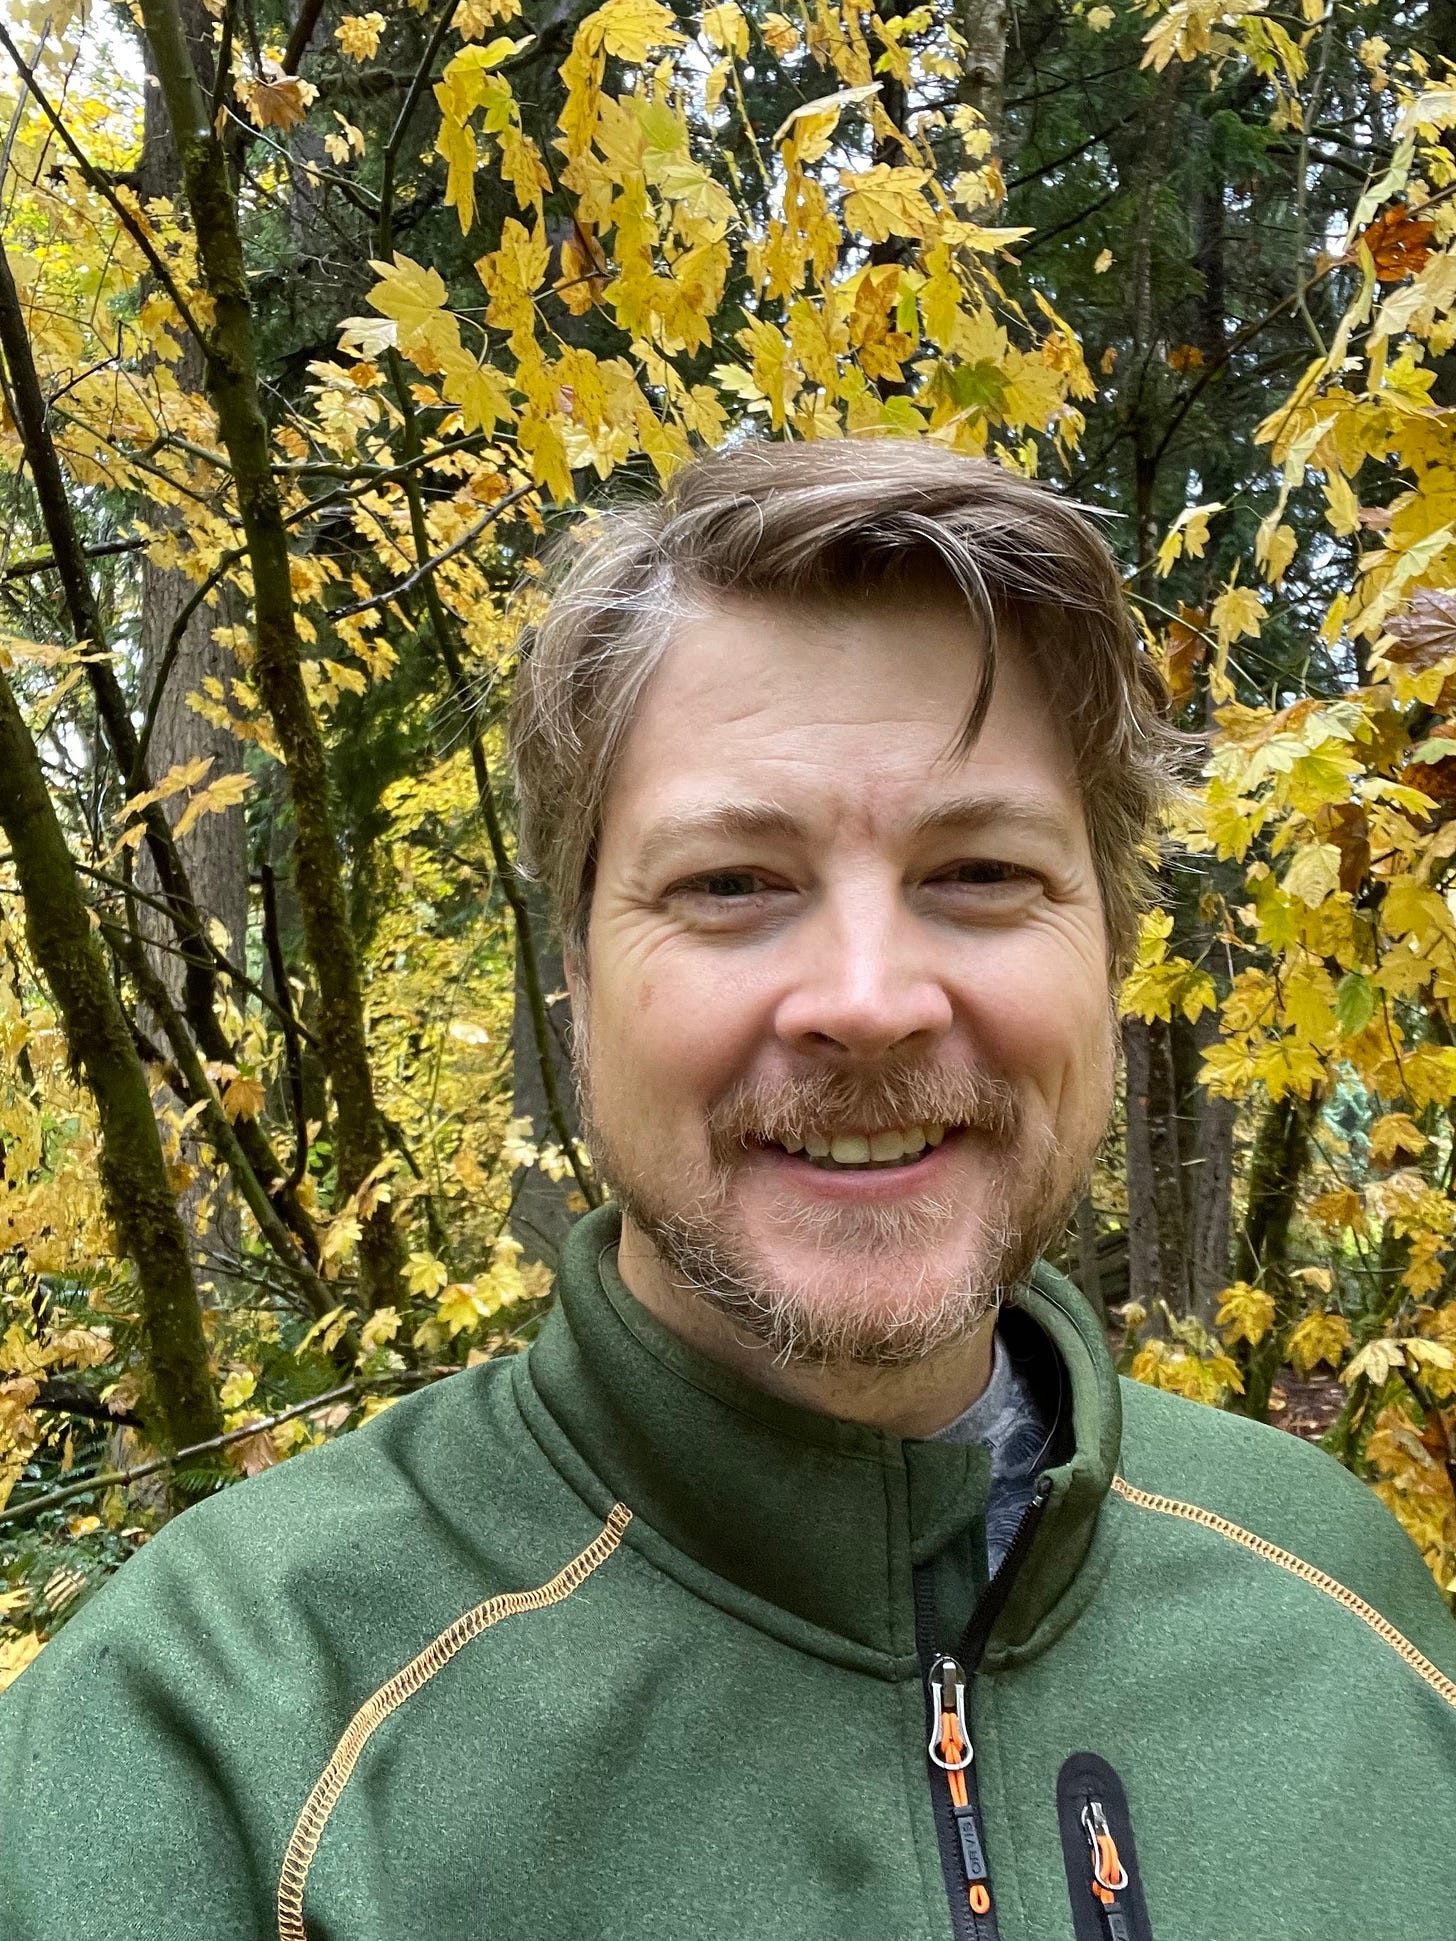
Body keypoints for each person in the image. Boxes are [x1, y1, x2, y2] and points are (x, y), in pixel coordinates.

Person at [2, 438, 1454, 1941]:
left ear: (1109, 945)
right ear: (577, 980)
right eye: (731, 884)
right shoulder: (217, 1746)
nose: (870, 999)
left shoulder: (1354, 1613)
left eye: (979, 871)